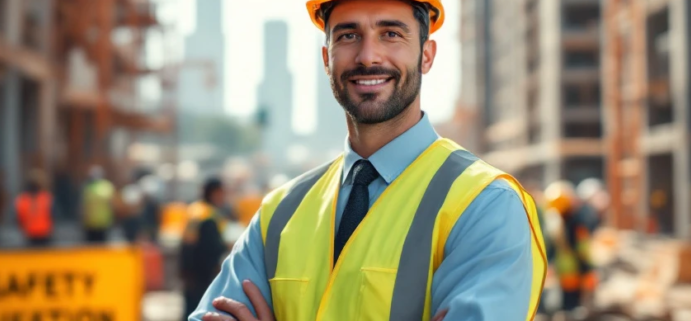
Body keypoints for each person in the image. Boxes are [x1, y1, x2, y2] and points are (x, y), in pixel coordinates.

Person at [189, 1, 547, 320]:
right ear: (327, 58)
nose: (368, 56)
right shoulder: (279, 214)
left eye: (390, 33)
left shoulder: (485, 205)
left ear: (426, 54)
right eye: (348, 36)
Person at [543, 181, 594, 315]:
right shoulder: (576, 223)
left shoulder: (556, 223)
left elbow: (551, 249)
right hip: (575, 271)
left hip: (565, 272)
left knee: (567, 306)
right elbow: (582, 249)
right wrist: (588, 268)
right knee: (573, 307)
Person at [181, 178, 230, 318]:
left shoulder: (195, 210)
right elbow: (211, 248)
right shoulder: (209, 215)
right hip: (202, 273)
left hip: (189, 271)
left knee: (189, 310)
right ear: (214, 193)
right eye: (222, 193)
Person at [14, 169, 55, 247]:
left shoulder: (22, 199)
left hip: (35, 235)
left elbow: (19, 219)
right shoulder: (47, 198)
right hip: (39, 235)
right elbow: (52, 215)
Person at [80, 166, 115, 244]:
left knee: (97, 246)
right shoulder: (89, 187)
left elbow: (111, 204)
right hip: (96, 221)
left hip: (98, 221)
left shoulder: (105, 186)